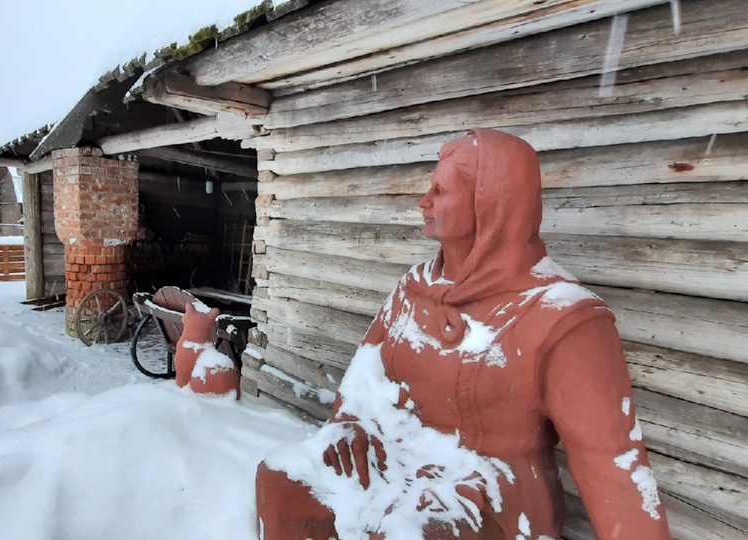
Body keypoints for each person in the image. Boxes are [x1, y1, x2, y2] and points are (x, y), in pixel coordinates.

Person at [255, 129, 670, 539]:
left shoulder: (562, 318)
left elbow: (613, 464)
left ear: (490, 203)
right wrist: (349, 424)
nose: (424, 202)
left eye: (440, 191)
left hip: (491, 498)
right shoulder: (413, 288)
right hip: (394, 460)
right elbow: (364, 379)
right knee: (282, 480)